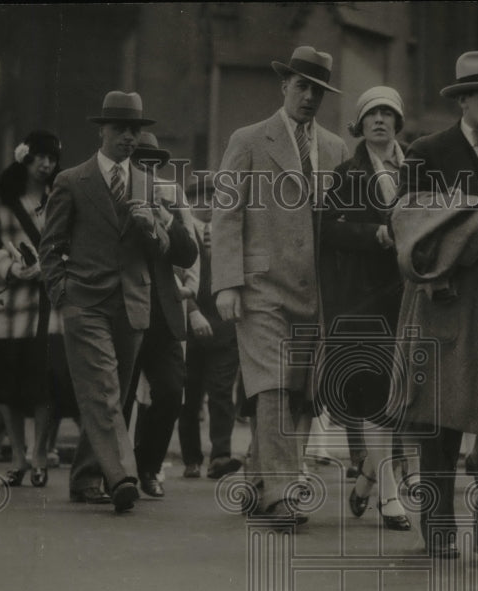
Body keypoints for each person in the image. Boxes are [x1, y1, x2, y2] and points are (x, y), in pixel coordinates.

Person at [392, 49, 478, 560]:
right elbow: (405, 226)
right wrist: (467, 230)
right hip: (448, 300)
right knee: (443, 413)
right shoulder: (428, 152)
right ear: (465, 99)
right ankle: (438, 522)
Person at [39, 91, 195, 513]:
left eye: (135, 130)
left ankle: (86, 477)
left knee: (108, 393)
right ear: (102, 131)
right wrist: (62, 294)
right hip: (84, 302)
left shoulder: (149, 186)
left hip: (133, 305)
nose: (129, 137)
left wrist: (155, 229)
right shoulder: (72, 180)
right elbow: (50, 246)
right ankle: (122, 476)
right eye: (121, 129)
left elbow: (172, 250)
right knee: (105, 390)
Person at [212, 46, 349, 526]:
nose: (310, 97)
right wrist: (226, 284)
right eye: (302, 87)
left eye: (318, 90)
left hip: (314, 291)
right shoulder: (248, 140)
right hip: (261, 285)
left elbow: (340, 222)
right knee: (270, 386)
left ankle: (257, 479)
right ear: (284, 87)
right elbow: (225, 214)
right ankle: (282, 492)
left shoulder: (334, 148)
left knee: (298, 390)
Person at [321, 86, 410, 531]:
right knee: (377, 396)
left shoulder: (419, 169)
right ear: (360, 123)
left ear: (398, 122)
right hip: (365, 298)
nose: (380, 120)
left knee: (403, 398)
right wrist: (372, 235)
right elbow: (328, 233)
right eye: (371, 113)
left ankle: (369, 477)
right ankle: (389, 496)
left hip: (412, 295)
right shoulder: (345, 174)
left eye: (388, 113)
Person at [0, 130, 77, 488]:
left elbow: (72, 240)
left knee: (46, 382)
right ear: (25, 157)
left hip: (48, 305)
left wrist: (55, 266)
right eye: (39, 157)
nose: (46, 164)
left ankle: (39, 454)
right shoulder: (3, 194)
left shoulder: (60, 194)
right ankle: (17, 455)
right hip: (7, 305)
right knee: (7, 383)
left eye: (51, 158)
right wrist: (14, 268)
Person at [120, 131, 198, 498]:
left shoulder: (171, 193)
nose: (146, 169)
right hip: (121, 306)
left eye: (152, 163)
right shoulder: (113, 190)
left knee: (170, 390)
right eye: (139, 161)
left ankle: (147, 465)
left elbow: (189, 251)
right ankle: (114, 472)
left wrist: (163, 215)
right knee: (118, 396)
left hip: (163, 309)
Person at [176, 173, 242, 480]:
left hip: (225, 325)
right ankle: (191, 458)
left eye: (212, 198)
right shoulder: (180, 232)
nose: (206, 204)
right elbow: (173, 277)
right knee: (189, 396)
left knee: (221, 393)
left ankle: (221, 455)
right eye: (198, 198)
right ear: (188, 202)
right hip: (190, 324)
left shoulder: (231, 235)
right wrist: (191, 312)